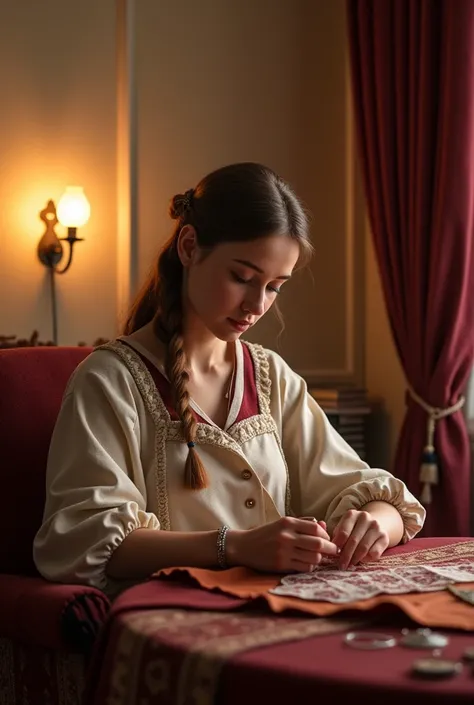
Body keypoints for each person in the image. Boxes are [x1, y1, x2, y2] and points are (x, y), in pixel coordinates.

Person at [33, 162, 425, 597]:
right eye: (242, 277)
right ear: (188, 246)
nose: (257, 304)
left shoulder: (271, 376)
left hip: (274, 615)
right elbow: (87, 543)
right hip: (171, 625)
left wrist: (375, 523)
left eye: (276, 286)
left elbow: (370, 492)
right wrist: (234, 547)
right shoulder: (109, 381)